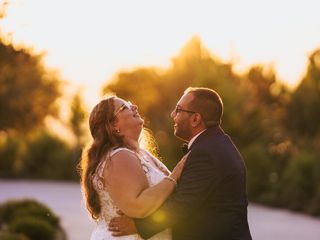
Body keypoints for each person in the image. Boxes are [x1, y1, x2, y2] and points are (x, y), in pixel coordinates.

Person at [108, 87, 252, 240]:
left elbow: (181, 204)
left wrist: (139, 226)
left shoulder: (206, 153)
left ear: (195, 119)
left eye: (178, 110)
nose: (172, 115)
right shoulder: (216, 144)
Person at [79, 96, 186, 240]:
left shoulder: (141, 154)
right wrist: (176, 174)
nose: (134, 107)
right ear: (113, 126)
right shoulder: (119, 157)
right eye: (125, 107)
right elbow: (138, 206)